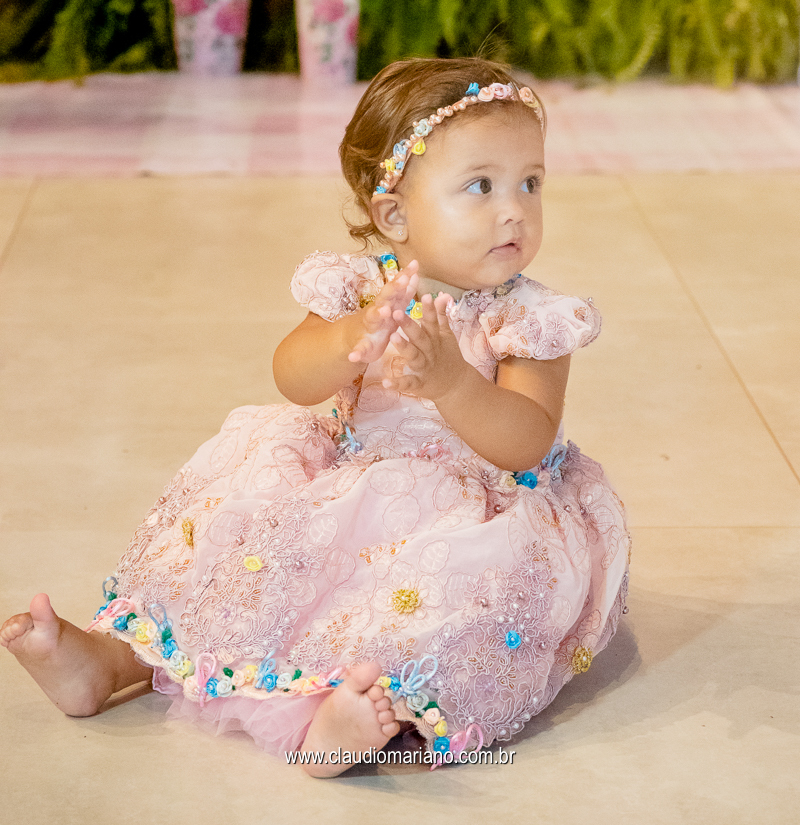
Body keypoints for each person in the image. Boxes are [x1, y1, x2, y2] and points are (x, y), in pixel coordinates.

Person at [2, 57, 629, 776]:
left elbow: (527, 441)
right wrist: (348, 340)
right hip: (345, 477)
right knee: (234, 535)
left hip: (473, 506)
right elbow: (293, 377)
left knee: (451, 599)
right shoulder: (359, 287)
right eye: (481, 186)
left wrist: (455, 382)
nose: (514, 209)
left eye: (531, 182)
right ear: (394, 215)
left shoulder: (530, 318)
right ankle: (112, 660)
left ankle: (345, 714)